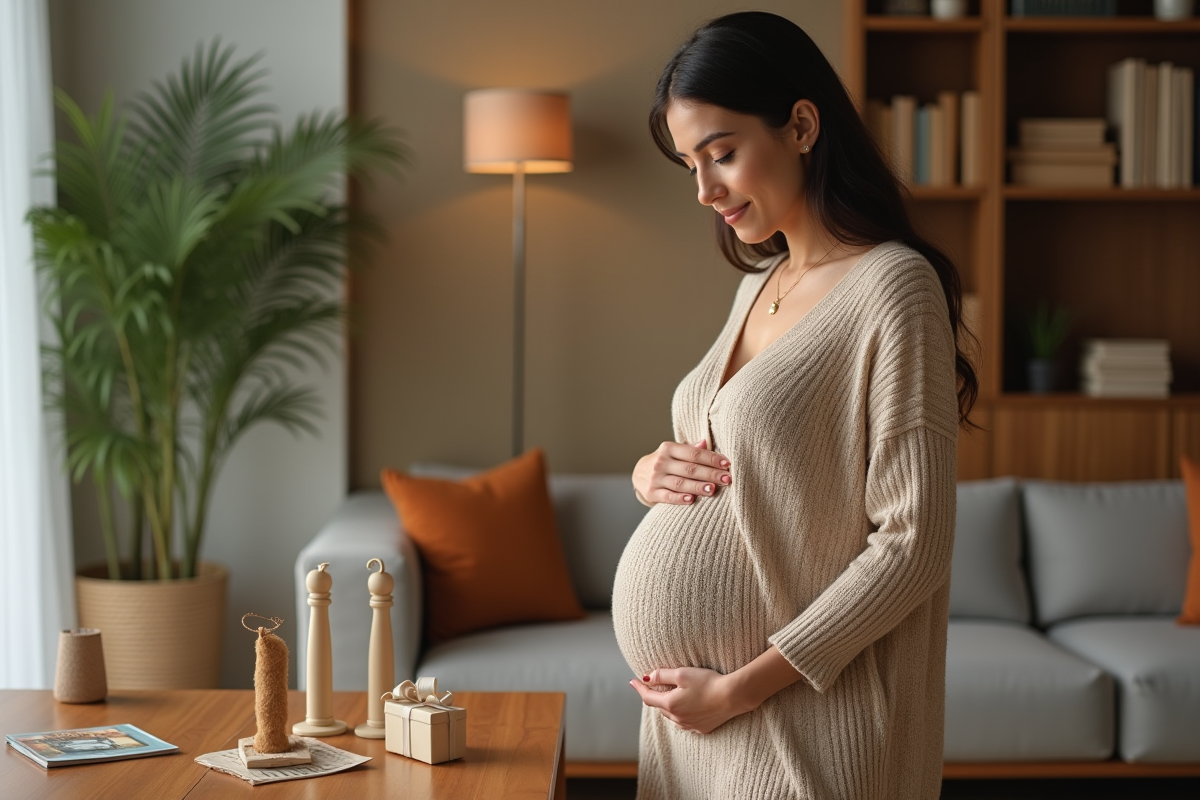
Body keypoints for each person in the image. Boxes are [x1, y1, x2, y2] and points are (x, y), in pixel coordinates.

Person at [610, 11, 978, 800]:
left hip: (804, 731)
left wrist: (738, 688)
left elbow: (915, 543)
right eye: (689, 166)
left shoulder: (893, 287)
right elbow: (736, 459)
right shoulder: (757, 287)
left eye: (723, 154)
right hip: (695, 733)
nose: (705, 191)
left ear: (802, 125)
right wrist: (650, 472)